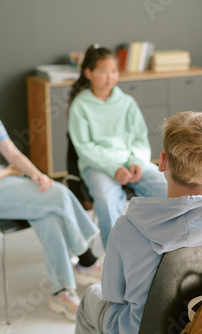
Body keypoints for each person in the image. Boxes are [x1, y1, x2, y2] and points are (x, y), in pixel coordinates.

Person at [0, 60, 106, 321]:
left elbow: (13, 154)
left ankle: (62, 292)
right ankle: (86, 259)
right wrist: (8, 171)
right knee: (59, 195)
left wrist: (37, 175)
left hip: (0, 184)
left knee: (48, 211)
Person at [74, 111, 202, 334]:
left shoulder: (127, 229)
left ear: (162, 162)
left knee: (93, 294)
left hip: (141, 330)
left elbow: (113, 296)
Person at [68, 44, 167, 250]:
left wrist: (137, 163)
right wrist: (113, 168)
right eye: (103, 71)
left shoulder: (127, 102)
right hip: (97, 166)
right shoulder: (81, 105)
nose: (109, 77)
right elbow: (85, 147)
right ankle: (117, 257)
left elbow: (140, 139)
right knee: (106, 199)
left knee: (167, 185)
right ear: (89, 73)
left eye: (114, 71)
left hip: (131, 162)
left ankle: (165, 247)